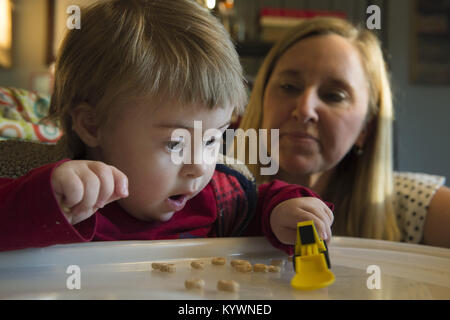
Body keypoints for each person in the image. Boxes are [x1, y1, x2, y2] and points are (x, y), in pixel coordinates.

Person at [0, 0, 333, 253]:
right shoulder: (64, 198)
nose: (199, 166)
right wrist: (46, 201)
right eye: (176, 144)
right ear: (92, 125)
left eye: (213, 139)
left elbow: (264, 201)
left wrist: (286, 212)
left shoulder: (217, 196)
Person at [238, 17, 450, 248]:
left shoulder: (410, 206)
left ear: (366, 128)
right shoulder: (209, 194)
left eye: (334, 96)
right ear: (260, 100)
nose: (305, 109)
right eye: (289, 87)